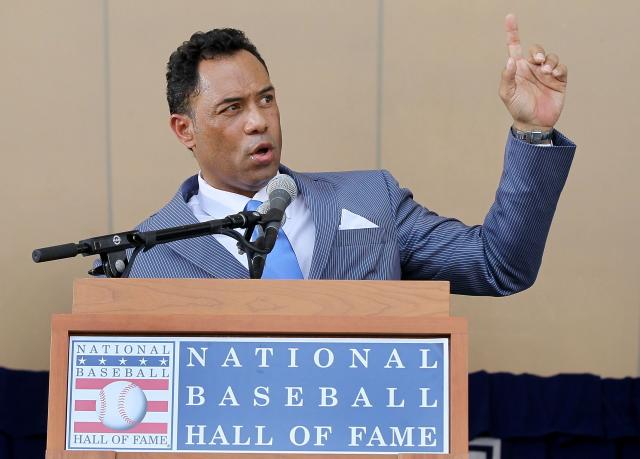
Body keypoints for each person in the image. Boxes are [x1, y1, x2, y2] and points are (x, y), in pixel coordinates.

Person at [125, 14, 575, 295]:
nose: (258, 120)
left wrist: (532, 131)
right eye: (232, 108)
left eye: (265, 99)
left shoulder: (369, 200)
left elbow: (500, 266)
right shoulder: (146, 255)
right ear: (185, 130)